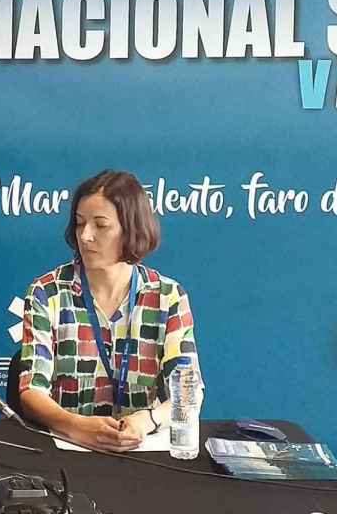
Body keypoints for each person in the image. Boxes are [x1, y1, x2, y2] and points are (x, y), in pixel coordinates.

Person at [18, 170, 202, 452]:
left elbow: (189, 391)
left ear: (131, 230)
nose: (86, 236)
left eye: (100, 225)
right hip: (69, 451)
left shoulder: (167, 296)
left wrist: (146, 420)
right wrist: (76, 425)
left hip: (144, 454)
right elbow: (31, 389)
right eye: (79, 224)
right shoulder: (48, 292)